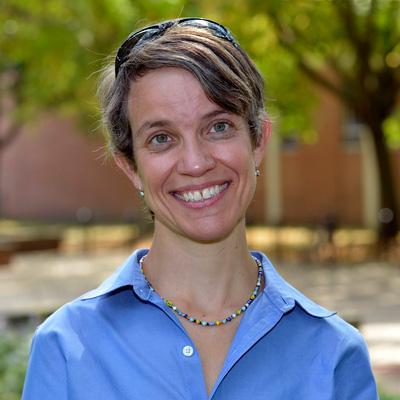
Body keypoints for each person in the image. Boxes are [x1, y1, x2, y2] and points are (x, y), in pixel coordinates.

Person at [22, 18, 378, 399]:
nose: (195, 163)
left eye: (219, 127)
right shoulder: (66, 348)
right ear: (130, 166)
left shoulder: (334, 355)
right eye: (161, 138)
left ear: (258, 140)